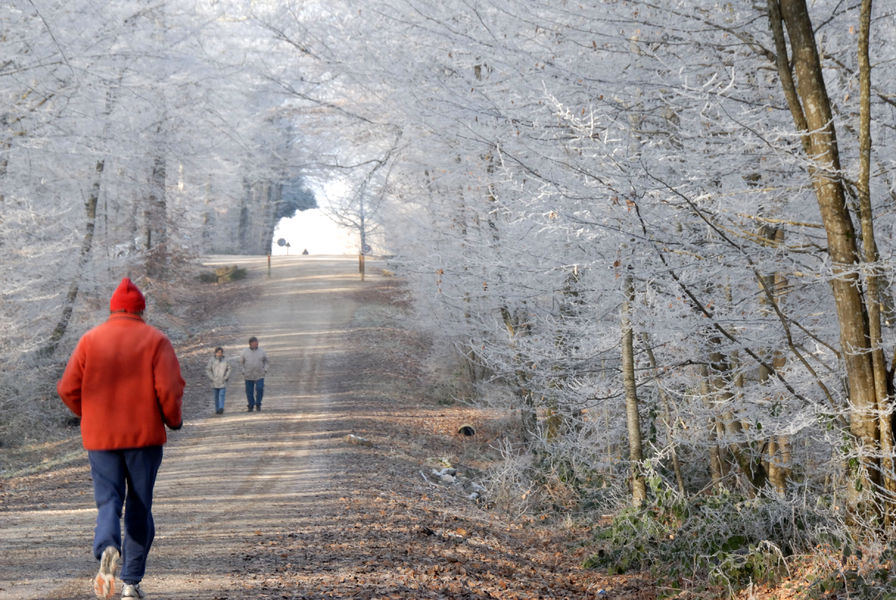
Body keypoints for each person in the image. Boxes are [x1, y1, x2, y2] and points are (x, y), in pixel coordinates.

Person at [57, 277, 184, 600]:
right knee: (139, 507)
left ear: (112, 308)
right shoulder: (156, 340)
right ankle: (130, 583)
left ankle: (107, 546)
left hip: (101, 439)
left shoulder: (90, 340)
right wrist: (173, 420)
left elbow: (68, 388)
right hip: (144, 439)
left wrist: (90, 415)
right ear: (141, 309)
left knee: (109, 501)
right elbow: (169, 389)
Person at [240, 336, 268, 412]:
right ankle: (251, 405)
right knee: (249, 391)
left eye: (257, 343)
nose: (256, 344)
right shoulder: (244, 352)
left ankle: (258, 403)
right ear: (250, 344)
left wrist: (265, 369)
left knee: (260, 388)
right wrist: (243, 370)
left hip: (260, 374)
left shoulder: (262, 351)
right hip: (248, 374)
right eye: (255, 343)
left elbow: (266, 361)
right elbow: (241, 363)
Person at [205, 346, 231, 414]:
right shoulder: (212, 360)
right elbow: (208, 369)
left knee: (222, 395)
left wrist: (226, 377)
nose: (220, 354)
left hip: (222, 381)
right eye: (218, 352)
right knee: (216, 396)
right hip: (214, 381)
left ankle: (221, 408)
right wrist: (212, 377)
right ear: (215, 353)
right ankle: (217, 409)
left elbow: (229, 369)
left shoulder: (225, 360)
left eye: (221, 352)